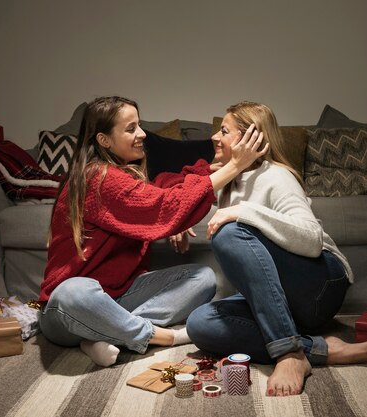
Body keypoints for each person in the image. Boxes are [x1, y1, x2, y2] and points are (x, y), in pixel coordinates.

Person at [38, 96, 267, 367]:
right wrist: (234, 166)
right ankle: (161, 337)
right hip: (66, 311)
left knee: (202, 278)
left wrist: (181, 213)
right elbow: (164, 205)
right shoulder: (97, 178)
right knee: (73, 291)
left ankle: (101, 333)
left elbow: (165, 188)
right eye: (130, 128)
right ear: (104, 140)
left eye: (139, 125)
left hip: (120, 297)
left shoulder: (126, 173)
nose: (142, 134)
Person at [185, 101, 367, 396]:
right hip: (284, 305)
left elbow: (311, 239)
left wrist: (243, 211)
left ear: (251, 138)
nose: (214, 138)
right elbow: (189, 197)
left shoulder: (276, 177)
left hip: (321, 285)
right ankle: (320, 348)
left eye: (224, 130)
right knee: (200, 324)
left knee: (228, 232)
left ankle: (290, 354)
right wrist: (182, 221)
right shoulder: (228, 182)